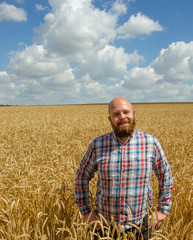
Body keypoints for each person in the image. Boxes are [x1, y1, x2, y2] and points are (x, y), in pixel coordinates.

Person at [75, 97, 174, 239]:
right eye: (116, 114)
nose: (122, 117)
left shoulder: (150, 142)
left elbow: (166, 175)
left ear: (133, 114)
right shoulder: (97, 145)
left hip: (141, 225)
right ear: (110, 119)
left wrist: (163, 210)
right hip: (103, 226)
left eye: (126, 112)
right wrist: (85, 212)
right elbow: (81, 177)